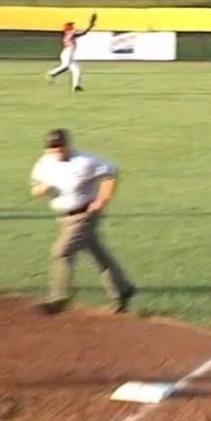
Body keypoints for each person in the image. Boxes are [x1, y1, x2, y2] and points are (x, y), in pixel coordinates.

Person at [29, 128, 134, 315]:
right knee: (99, 254)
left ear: (68, 145)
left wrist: (102, 199)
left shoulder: (85, 161)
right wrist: (41, 190)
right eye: (52, 148)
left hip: (85, 215)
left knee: (61, 252)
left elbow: (111, 173)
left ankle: (59, 298)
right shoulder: (44, 163)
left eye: (60, 147)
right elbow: (34, 188)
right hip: (64, 218)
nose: (56, 151)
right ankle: (123, 289)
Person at [45, 13, 96, 93]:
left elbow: (82, 33)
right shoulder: (70, 32)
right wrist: (90, 25)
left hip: (69, 52)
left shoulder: (69, 33)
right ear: (67, 27)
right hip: (67, 52)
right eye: (71, 25)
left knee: (76, 70)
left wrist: (90, 26)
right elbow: (81, 32)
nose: (73, 26)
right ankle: (51, 73)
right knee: (65, 66)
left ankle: (76, 86)